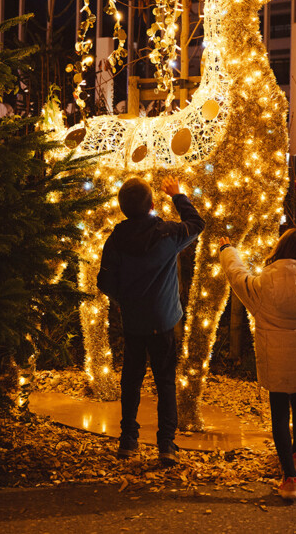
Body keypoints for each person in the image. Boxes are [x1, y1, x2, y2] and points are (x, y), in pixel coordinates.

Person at [218, 223, 296, 501]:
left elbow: (236, 275)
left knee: (279, 414)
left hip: (276, 361)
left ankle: (290, 478)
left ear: (281, 249)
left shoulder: (263, 284)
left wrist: (227, 249)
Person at [97, 175, 205, 466]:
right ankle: (166, 445)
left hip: (133, 322)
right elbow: (197, 224)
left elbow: (104, 281)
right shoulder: (167, 235)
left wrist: (122, 298)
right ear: (152, 204)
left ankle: (128, 440)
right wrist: (178, 195)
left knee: (131, 380)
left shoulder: (116, 240)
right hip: (164, 320)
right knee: (165, 381)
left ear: (122, 208)